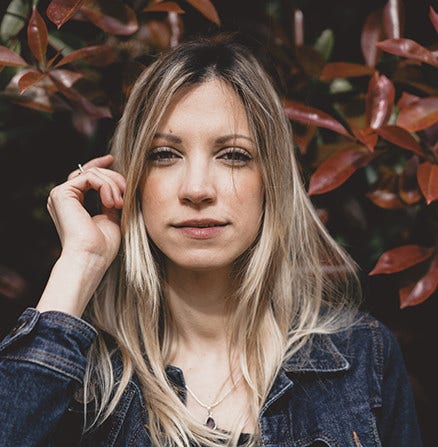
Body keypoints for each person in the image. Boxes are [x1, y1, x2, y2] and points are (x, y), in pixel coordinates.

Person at [0, 34, 422, 447]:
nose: (197, 188)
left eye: (233, 155)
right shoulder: (80, 378)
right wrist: (79, 264)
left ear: (269, 181)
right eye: (164, 154)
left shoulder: (363, 355)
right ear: (133, 179)